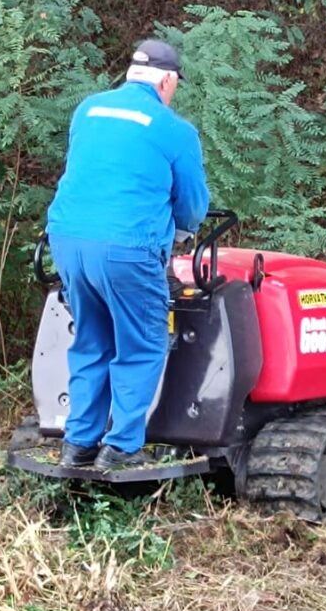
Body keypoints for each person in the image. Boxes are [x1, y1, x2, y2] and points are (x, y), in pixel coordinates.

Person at [46, 38, 210, 469]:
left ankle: (78, 443)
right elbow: (192, 206)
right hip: (126, 249)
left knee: (91, 340)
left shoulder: (89, 110)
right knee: (141, 342)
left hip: (67, 242)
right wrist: (182, 231)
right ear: (167, 79)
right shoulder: (174, 130)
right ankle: (121, 447)